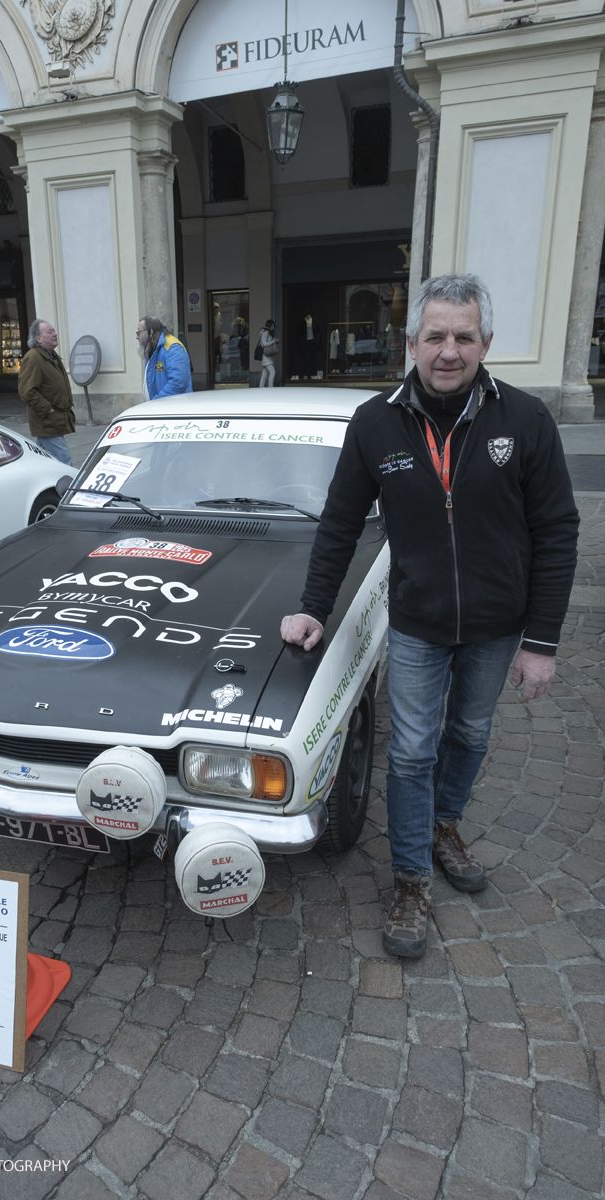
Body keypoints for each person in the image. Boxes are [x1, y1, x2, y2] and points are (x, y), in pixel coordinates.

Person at [280, 273, 579, 959]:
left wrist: (542, 640)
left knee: (470, 735)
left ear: (485, 343)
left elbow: (558, 531)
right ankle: (411, 877)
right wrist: (311, 608)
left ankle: (445, 825)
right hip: (416, 621)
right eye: (435, 336)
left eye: (464, 337)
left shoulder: (526, 422)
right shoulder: (376, 423)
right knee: (412, 750)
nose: (449, 350)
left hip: (499, 625)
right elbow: (339, 523)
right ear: (411, 342)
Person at [18, 319, 75, 464]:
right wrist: (47, 409)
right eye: (50, 332)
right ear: (38, 338)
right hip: (46, 421)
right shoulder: (33, 357)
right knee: (64, 461)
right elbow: (27, 391)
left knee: (44, 460)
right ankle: (68, 485)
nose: (55, 334)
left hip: (52, 420)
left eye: (54, 331)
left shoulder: (51, 355)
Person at [137, 315, 193, 400]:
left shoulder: (173, 348)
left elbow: (178, 383)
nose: (137, 337)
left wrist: (156, 403)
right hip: (160, 409)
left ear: (150, 332)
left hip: (173, 409)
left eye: (139, 332)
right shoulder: (152, 348)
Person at [258, 320, 279, 388]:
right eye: (272, 326)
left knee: (264, 374)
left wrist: (275, 341)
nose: (273, 327)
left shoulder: (269, 333)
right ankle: (270, 388)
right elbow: (264, 343)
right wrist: (273, 341)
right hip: (265, 356)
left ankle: (261, 388)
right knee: (272, 372)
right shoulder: (265, 333)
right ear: (269, 326)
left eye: (273, 326)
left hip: (267, 356)